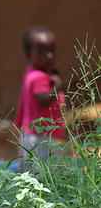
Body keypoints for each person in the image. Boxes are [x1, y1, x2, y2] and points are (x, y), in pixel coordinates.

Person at [14, 26, 66, 161]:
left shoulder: (31, 72)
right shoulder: (38, 77)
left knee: (30, 172)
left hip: (33, 133)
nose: (49, 55)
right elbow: (42, 100)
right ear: (29, 55)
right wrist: (57, 86)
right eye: (42, 52)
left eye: (52, 50)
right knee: (43, 174)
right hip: (40, 136)